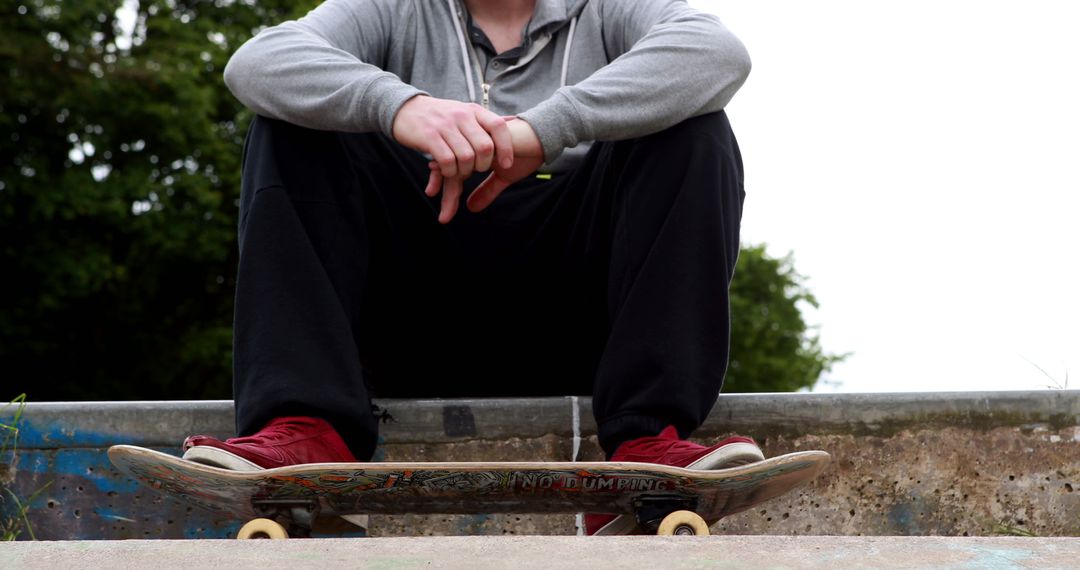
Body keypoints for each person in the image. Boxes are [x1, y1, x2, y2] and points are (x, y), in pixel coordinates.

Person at [181, 0, 762, 535]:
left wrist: (542, 130)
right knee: (289, 124)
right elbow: (258, 62)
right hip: (409, 321)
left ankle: (644, 440)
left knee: (696, 128)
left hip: (579, 325)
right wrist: (400, 105)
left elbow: (717, 53)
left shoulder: (610, 6)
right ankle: (306, 427)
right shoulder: (393, 7)